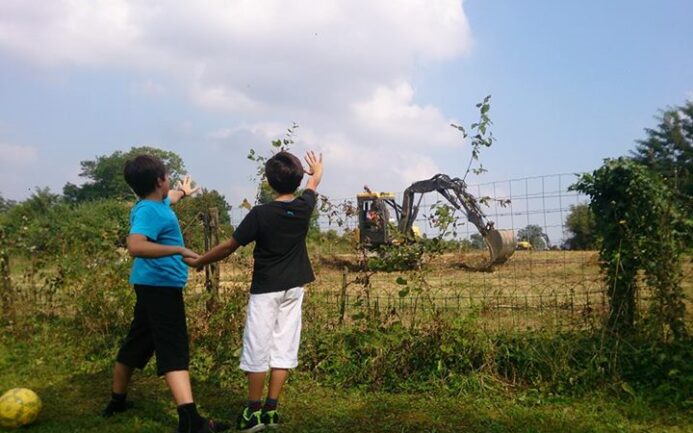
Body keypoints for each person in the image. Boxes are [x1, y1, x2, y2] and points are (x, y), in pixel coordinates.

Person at [184, 150, 323, 432]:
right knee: (284, 346)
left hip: (266, 290)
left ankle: (252, 413)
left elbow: (229, 246)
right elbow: (314, 184)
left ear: (268, 182)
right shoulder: (304, 207)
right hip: (294, 288)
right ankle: (271, 410)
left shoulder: (260, 214)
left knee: (257, 348)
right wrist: (315, 170)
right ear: (297, 180)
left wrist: (200, 261)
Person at [102, 154, 229, 433]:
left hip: (151, 285)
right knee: (173, 348)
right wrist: (179, 250)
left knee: (138, 341)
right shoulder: (150, 211)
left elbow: (170, 197)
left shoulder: (153, 203)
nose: (170, 181)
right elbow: (135, 245)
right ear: (159, 181)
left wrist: (183, 191)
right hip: (160, 287)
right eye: (167, 177)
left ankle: (117, 401)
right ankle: (189, 420)